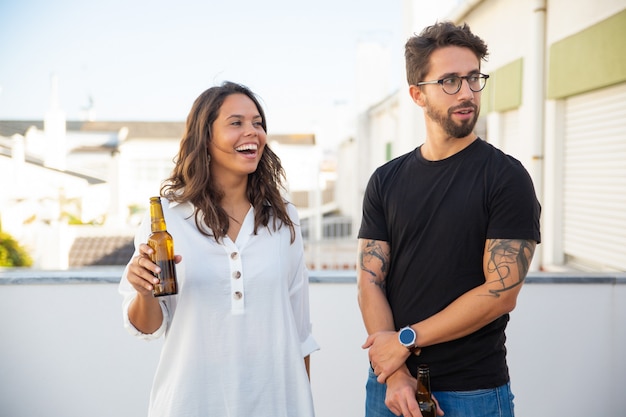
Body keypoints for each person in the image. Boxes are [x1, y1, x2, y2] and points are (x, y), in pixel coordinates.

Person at [357, 22, 541, 417]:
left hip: (471, 392)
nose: (467, 93)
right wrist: (395, 373)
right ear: (417, 94)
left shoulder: (506, 178)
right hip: (391, 386)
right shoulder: (386, 179)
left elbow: (502, 292)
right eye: (450, 81)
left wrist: (405, 340)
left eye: (474, 78)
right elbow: (370, 281)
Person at [119, 81, 318, 417]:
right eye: (236, 123)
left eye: (257, 123)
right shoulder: (167, 220)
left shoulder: (283, 218)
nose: (252, 132)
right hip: (190, 403)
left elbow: (299, 332)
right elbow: (148, 326)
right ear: (205, 137)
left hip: (275, 404)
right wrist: (144, 292)